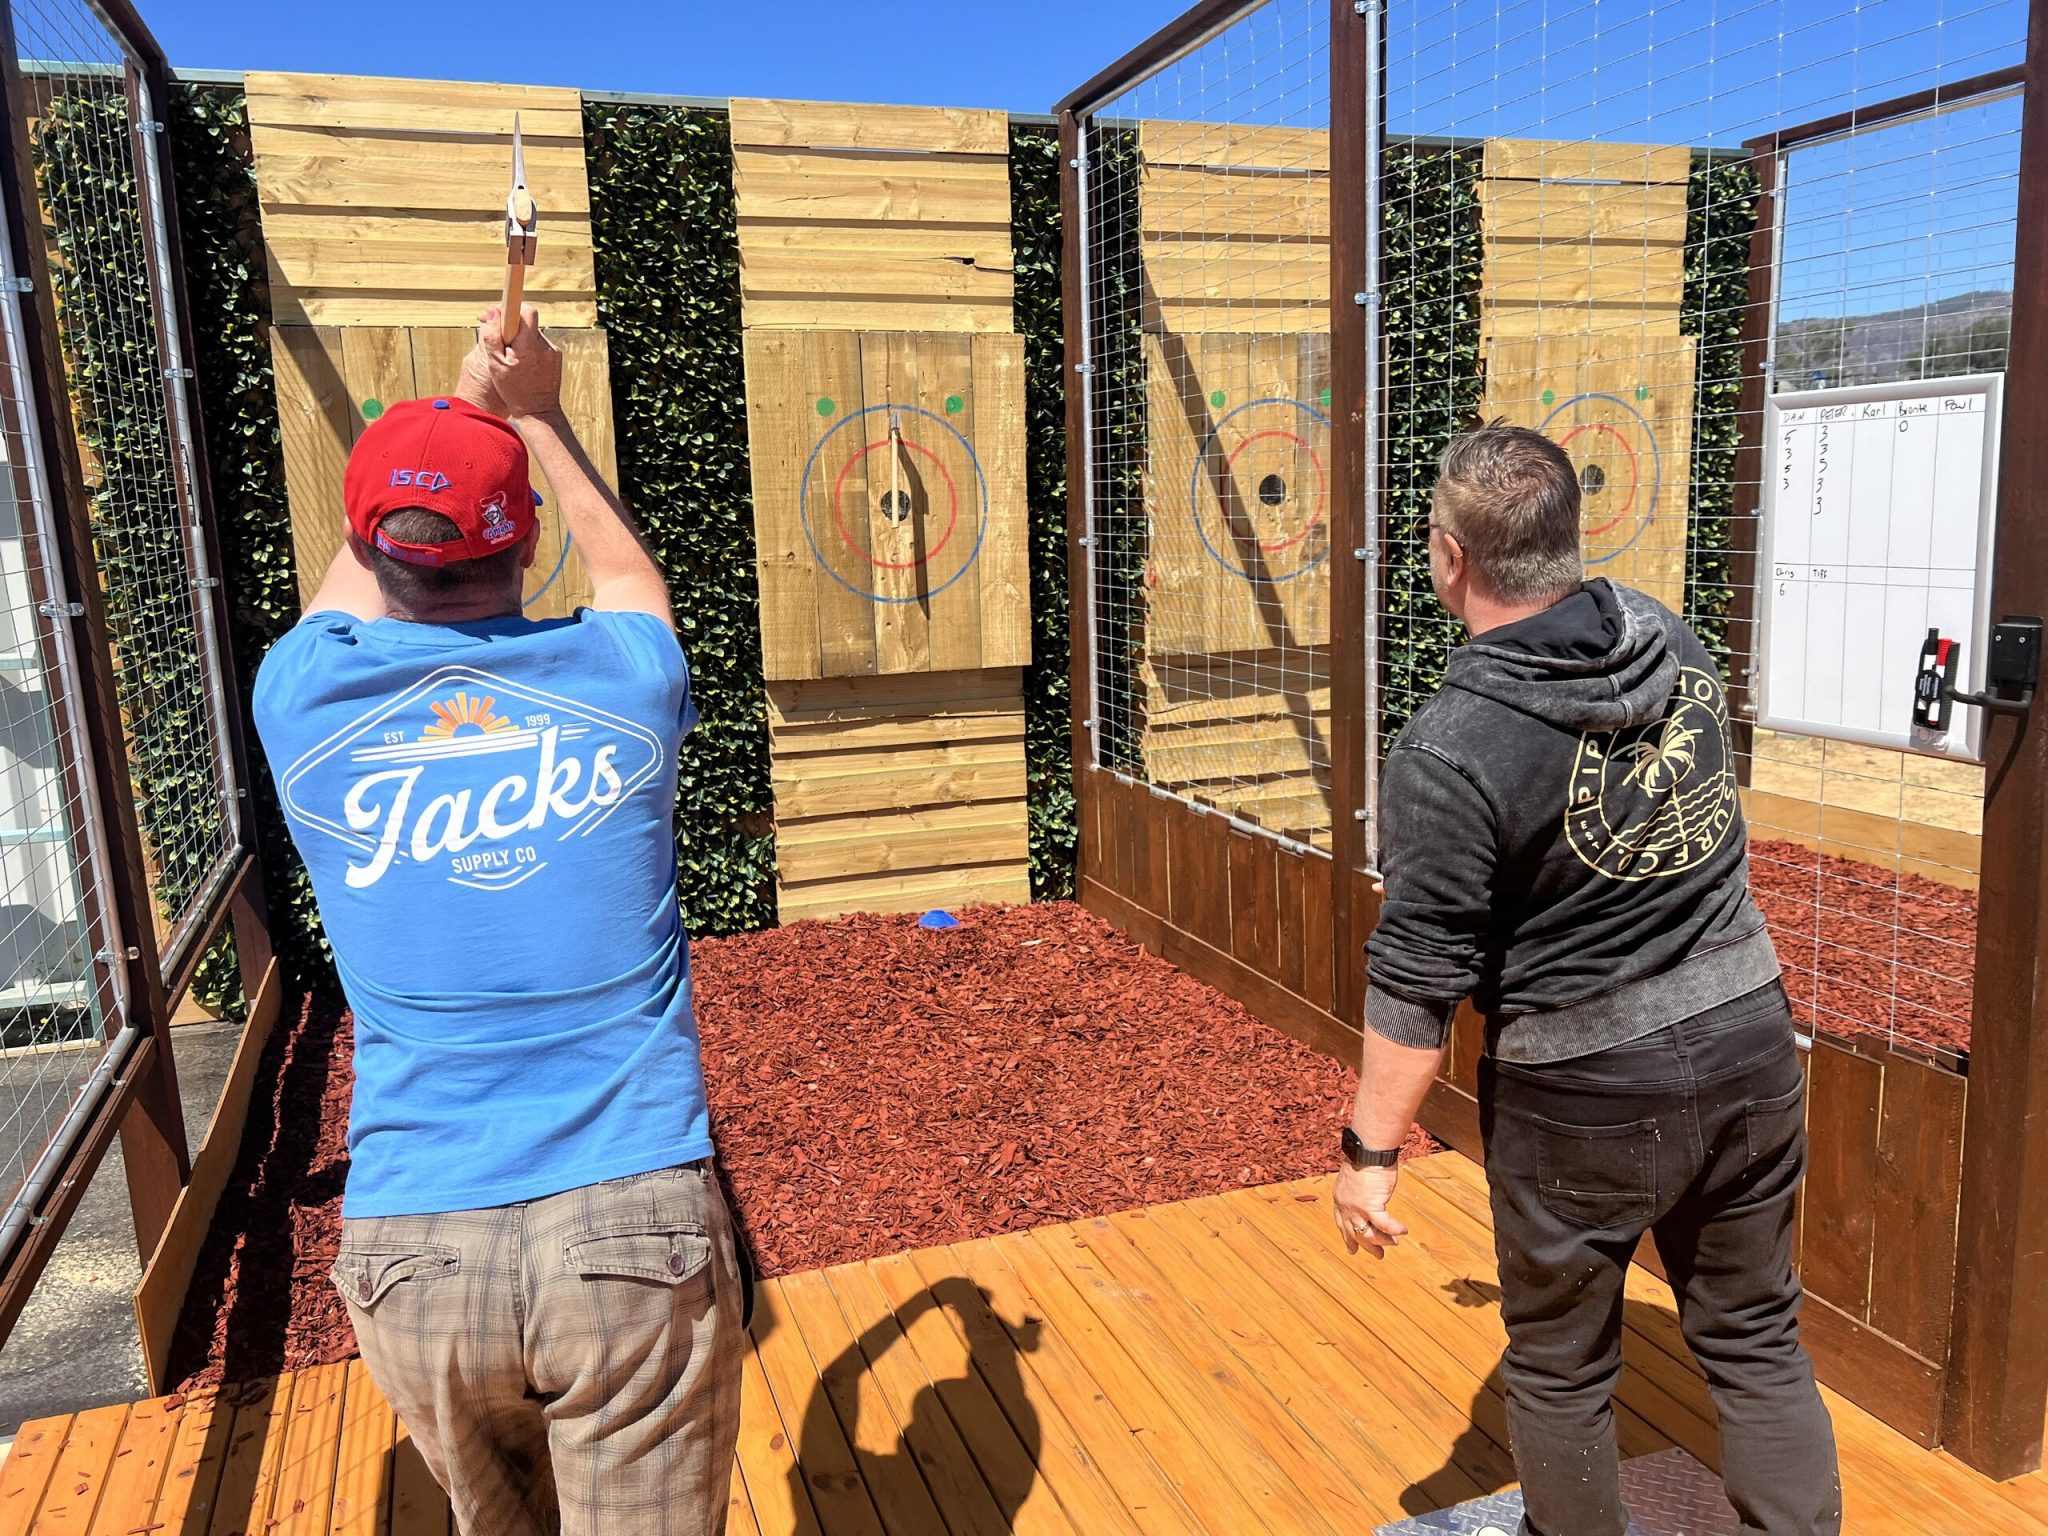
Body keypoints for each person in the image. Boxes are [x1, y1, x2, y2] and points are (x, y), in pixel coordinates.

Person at [253, 305, 743, 1536]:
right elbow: (629, 571)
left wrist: (464, 410)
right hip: (632, 1223)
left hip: (414, 1246)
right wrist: (534, 411)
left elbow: (353, 570)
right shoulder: (622, 679)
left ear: (372, 545)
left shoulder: (302, 698)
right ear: (522, 545)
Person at [1331, 423, 1842, 1536]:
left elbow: (1416, 980)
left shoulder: (1448, 747)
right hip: (1750, 1038)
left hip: (1584, 1095)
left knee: (1561, 1371)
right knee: (1754, 1337)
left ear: (1446, 557)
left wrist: (1368, 1159)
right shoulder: (1671, 638)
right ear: (1568, 538)